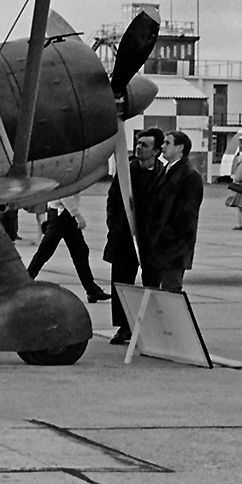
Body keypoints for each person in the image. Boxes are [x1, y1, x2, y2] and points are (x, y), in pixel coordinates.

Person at [103, 127, 164, 344]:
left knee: (152, 282)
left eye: (144, 145)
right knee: (121, 282)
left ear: (156, 150)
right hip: (125, 237)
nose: (139, 147)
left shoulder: (163, 174)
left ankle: (150, 326)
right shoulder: (126, 170)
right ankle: (123, 326)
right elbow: (112, 200)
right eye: (138, 143)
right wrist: (114, 225)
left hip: (151, 239)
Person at [142, 130, 203, 293]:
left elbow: (187, 216)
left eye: (167, 143)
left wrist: (167, 237)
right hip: (158, 246)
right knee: (154, 293)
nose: (162, 146)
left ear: (180, 147)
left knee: (170, 291)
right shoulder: (165, 170)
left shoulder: (189, 176)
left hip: (174, 248)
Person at [26, 194, 110, 302]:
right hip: (62, 215)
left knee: (79, 251)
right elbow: (65, 194)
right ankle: (24, 281)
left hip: (63, 214)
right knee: (45, 252)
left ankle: (92, 290)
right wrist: (77, 215)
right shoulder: (63, 177)